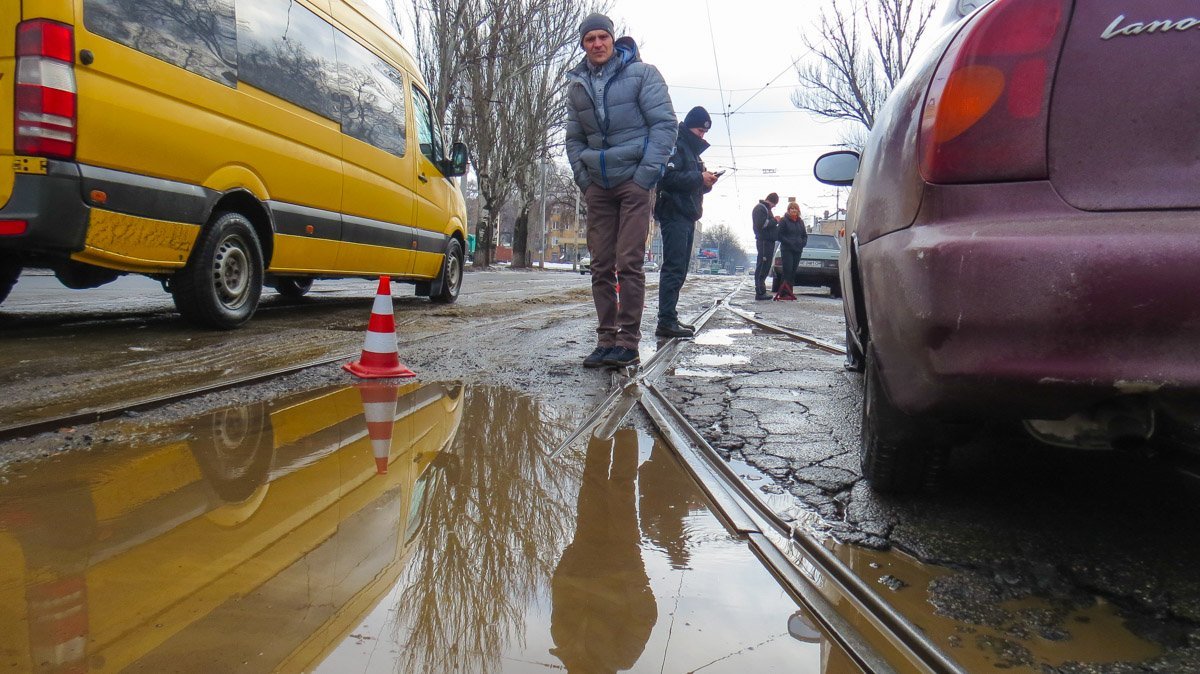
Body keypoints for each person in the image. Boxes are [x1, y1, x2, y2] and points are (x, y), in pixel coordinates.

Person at [565, 13, 677, 369]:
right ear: (583, 44)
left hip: (633, 181)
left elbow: (665, 125)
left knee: (628, 261)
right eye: (589, 39)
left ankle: (627, 341)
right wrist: (584, 181)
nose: (597, 44)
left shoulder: (643, 75)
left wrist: (646, 175)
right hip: (598, 184)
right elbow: (572, 138)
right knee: (600, 264)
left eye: (602, 37)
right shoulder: (577, 85)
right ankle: (605, 339)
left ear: (613, 40)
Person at [653, 106, 719, 338]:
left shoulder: (691, 151)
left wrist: (705, 183)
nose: (702, 135)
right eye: (700, 130)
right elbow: (667, 178)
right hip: (674, 213)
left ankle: (670, 317)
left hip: (686, 214)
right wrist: (698, 177)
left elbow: (687, 183)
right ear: (690, 126)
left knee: (679, 269)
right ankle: (666, 320)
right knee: (673, 268)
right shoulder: (677, 145)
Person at [774, 201, 808, 301]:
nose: (793, 210)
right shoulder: (784, 220)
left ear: (798, 211)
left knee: (793, 271)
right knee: (787, 270)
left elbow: (804, 235)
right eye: (791, 208)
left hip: (798, 250)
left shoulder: (800, 222)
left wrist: (803, 243)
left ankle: (790, 291)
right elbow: (779, 235)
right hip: (787, 249)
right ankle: (784, 293)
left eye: (795, 208)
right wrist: (789, 242)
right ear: (788, 210)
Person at [751, 193, 780, 300]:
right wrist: (775, 220)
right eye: (774, 204)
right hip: (764, 241)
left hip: (768, 241)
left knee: (765, 265)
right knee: (762, 265)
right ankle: (759, 292)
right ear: (771, 201)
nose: (774, 206)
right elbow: (762, 225)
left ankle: (761, 290)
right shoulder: (760, 208)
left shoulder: (765, 209)